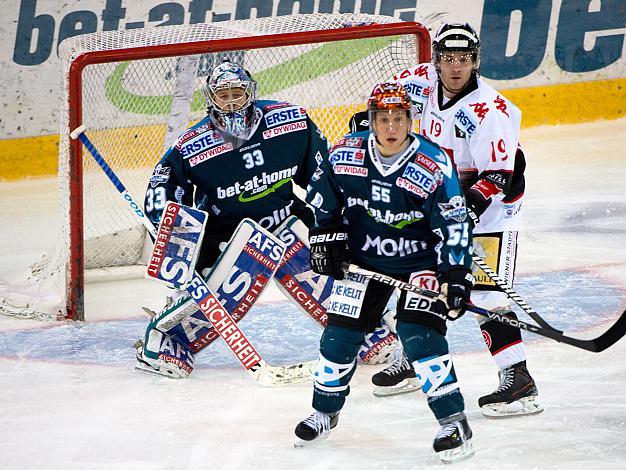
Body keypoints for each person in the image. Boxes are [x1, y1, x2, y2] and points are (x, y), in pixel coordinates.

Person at [295, 82, 475, 463]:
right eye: (383, 118)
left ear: (410, 120)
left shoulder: (433, 162)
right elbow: (325, 200)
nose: (391, 126)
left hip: (419, 266)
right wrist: (327, 239)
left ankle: (454, 423)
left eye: (398, 118)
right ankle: (325, 413)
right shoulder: (346, 152)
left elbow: (455, 223)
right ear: (371, 121)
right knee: (338, 339)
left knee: (419, 338)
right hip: (365, 261)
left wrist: (455, 274)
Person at [369, 23, 542, 418]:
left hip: (492, 207)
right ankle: (416, 356)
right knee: (421, 276)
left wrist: (465, 212)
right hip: (440, 199)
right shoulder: (418, 81)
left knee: (484, 293)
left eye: (464, 59)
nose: (455, 67)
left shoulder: (490, 110)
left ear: (475, 61)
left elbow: (500, 175)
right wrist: (370, 124)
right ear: (436, 60)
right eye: (447, 58)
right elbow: (382, 105)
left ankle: (519, 379)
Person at [136, 60, 328, 377]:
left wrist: (335, 220)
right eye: (222, 95)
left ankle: (358, 328)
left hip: (285, 220)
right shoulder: (192, 144)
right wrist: (168, 225)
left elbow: (323, 176)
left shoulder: (291, 120)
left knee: (331, 260)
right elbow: (162, 186)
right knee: (212, 291)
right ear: (212, 98)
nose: (231, 102)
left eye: (236, 93)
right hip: (228, 234)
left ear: (249, 93)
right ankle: (165, 340)